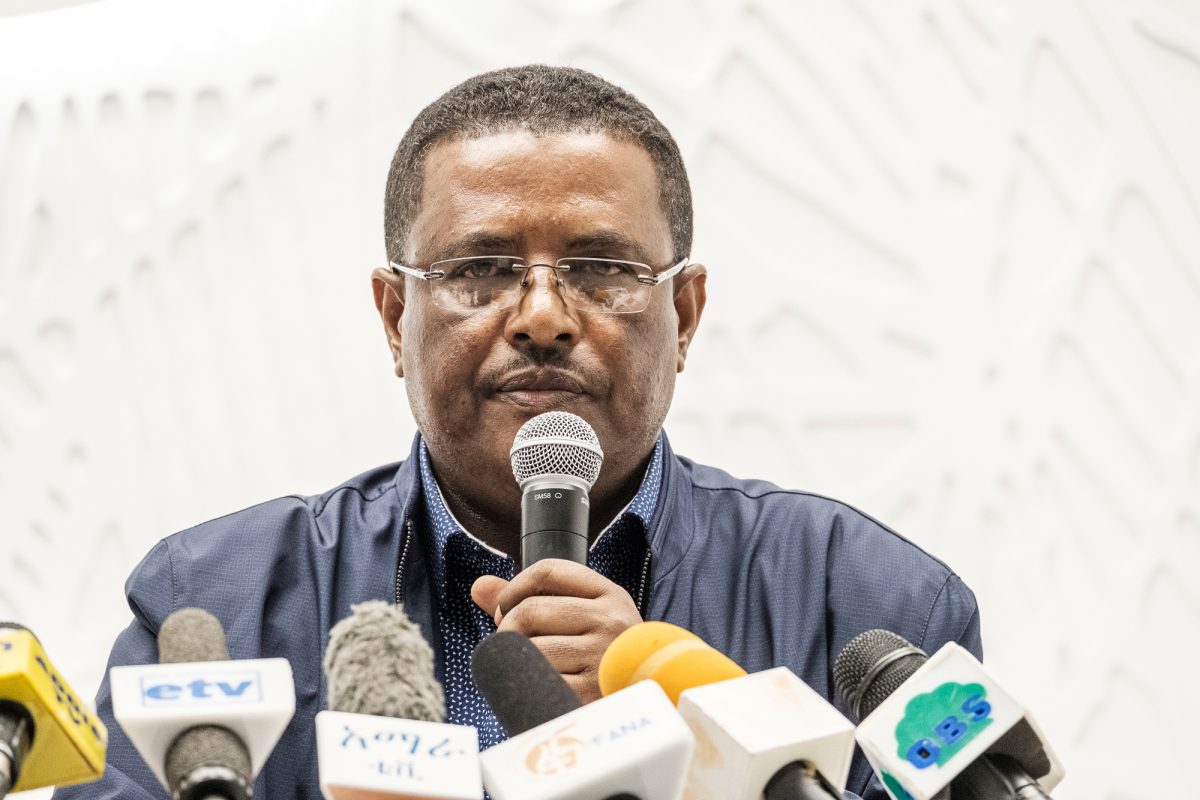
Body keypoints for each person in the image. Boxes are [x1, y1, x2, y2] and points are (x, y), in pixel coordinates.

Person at [56, 65, 980, 800]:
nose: (542, 316)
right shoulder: (218, 613)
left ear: (685, 316)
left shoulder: (873, 608)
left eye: (603, 267)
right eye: (483, 270)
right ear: (395, 318)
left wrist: (691, 740)